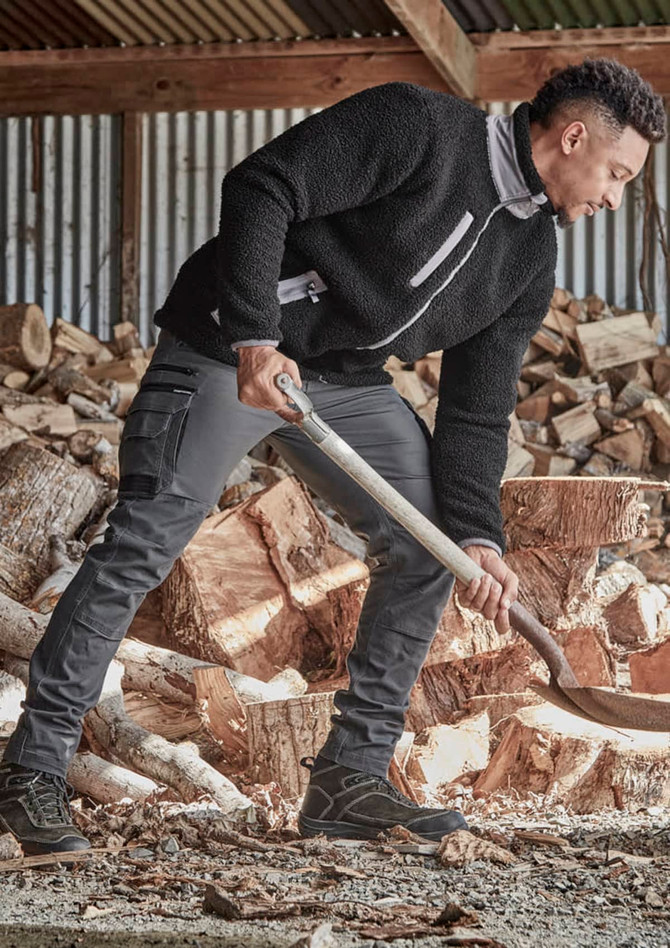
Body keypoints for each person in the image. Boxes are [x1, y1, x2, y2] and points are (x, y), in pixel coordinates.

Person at [0, 58, 664, 854]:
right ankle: (33, 768)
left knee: (429, 550)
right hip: (226, 349)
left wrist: (479, 536)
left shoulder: (529, 256)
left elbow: (477, 408)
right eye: (617, 175)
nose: (614, 197)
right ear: (574, 136)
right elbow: (262, 186)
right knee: (144, 540)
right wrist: (254, 337)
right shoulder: (418, 127)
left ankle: (351, 779)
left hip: (344, 381)